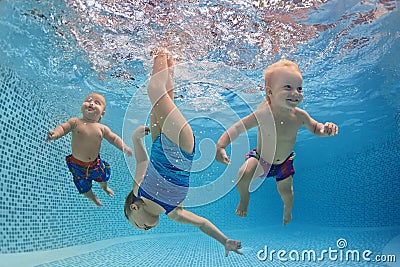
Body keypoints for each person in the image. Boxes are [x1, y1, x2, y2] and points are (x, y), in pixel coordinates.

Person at [124, 50, 242, 257]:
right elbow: (203, 223)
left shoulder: (139, 190)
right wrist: (225, 240)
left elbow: (143, 160)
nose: (145, 229)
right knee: (156, 92)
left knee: (161, 93)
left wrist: (135, 139)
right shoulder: (175, 213)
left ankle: (165, 55)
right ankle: (164, 52)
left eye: (138, 226)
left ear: (134, 209)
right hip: (180, 146)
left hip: (158, 142)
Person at [215, 59, 339, 225]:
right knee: (243, 174)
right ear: (270, 92)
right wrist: (221, 146)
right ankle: (244, 198)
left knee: (286, 192)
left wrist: (326, 130)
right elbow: (238, 128)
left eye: (299, 88)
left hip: (284, 162)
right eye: (288, 87)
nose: (296, 92)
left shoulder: (300, 116)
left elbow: (317, 129)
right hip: (261, 159)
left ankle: (287, 209)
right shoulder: (262, 114)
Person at [46, 92, 133, 206]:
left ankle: (105, 187)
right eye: (88, 100)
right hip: (77, 165)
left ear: (102, 114)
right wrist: (56, 134)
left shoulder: (102, 128)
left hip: (95, 164)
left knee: (104, 177)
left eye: (97, 103)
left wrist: (124, 147)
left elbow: (114, 139)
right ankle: (93, 197)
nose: (91, 103)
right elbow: (63, 127)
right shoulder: (75, 122)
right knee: (83, 187)